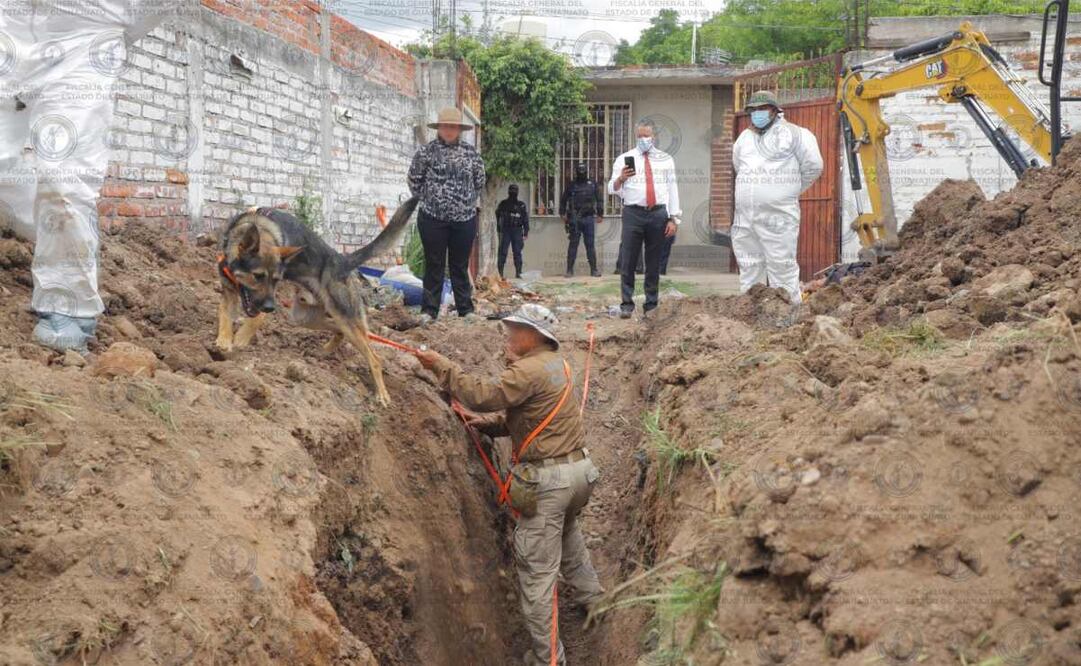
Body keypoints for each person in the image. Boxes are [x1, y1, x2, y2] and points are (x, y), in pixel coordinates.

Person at [414, 304, 604, 666]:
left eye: (514, 329)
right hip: (579, 473)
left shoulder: (528, 369)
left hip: (549, 482)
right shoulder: (556, 364)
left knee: (537, 574)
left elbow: (482, 393)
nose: (507, 335)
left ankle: (548, 657)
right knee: (569, 538)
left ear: (533, 336)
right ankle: (595, 602)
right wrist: (485, 425)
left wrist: (441, 364)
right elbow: (529, 419)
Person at [0, 1, 170, 351]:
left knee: (63, 174)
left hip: (87, 34)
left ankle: (68, 304)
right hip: (10, 22)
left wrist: (115, 26)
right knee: (5, 164)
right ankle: (47, 237)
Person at [731, 90, 823, 304]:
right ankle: (751, 312)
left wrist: (787, 191)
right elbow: (739, 167)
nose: (757, 114)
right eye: (753, 110)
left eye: (762, 109)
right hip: (745, 217)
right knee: (749, 267)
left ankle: (789, 316)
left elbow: (814, 166)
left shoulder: (795, 134)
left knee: (781, 266)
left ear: (774, 110)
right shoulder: (744, 138)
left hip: (778, 215)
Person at [408, 107, 486, 323]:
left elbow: (480, 181)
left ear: (459, 129)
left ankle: (466, 310)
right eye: (446, 126)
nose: (449, 130)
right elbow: (414, 180)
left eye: (453, 127)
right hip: (432, 219)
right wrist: (431, 200)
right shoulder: (426, 152)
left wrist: (465, 202)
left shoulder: (471, 154)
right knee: (434, 263)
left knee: (459, 265)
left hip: (464, 220)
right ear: (439, 128)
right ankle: (429, 311)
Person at [608, 121, 681, 319]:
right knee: (628, 259)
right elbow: (610, 188)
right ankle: (627, 304)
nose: (643, 140)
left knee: (653, 261)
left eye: (646, 136)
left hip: (658, 214)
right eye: (639, 136)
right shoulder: (625, 158)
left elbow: (672, 189)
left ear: (653, 137)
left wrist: (673, 218)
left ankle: (651, 305)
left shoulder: (665, 160)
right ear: (635, 137)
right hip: (633, 213)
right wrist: (621, 178)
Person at [559, 161, 603, 278]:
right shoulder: (572, 185)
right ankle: (569, 270)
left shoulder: (592, 184)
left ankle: (594, 270)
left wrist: (600, 214)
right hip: (575, 219)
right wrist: (562, 213)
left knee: (590, 245)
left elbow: (599, 199)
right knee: (573, 245)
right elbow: (563, 200)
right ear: (576, 172)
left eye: (583, 171)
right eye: (580, 171)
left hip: (588, 218)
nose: (581, 173)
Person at [496, 184, 529, 279]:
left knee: (517, 252)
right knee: (502, 252)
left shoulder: (521, 205)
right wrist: (498, 228)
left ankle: (518, 273)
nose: (513, 193)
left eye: (515, 191)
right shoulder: (503, 204)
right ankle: (500, 273)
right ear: (508, 192)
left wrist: (526, 232)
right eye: (512, 190)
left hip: (517, 230)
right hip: (506, 230)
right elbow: (497, 215)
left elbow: (525, 219)